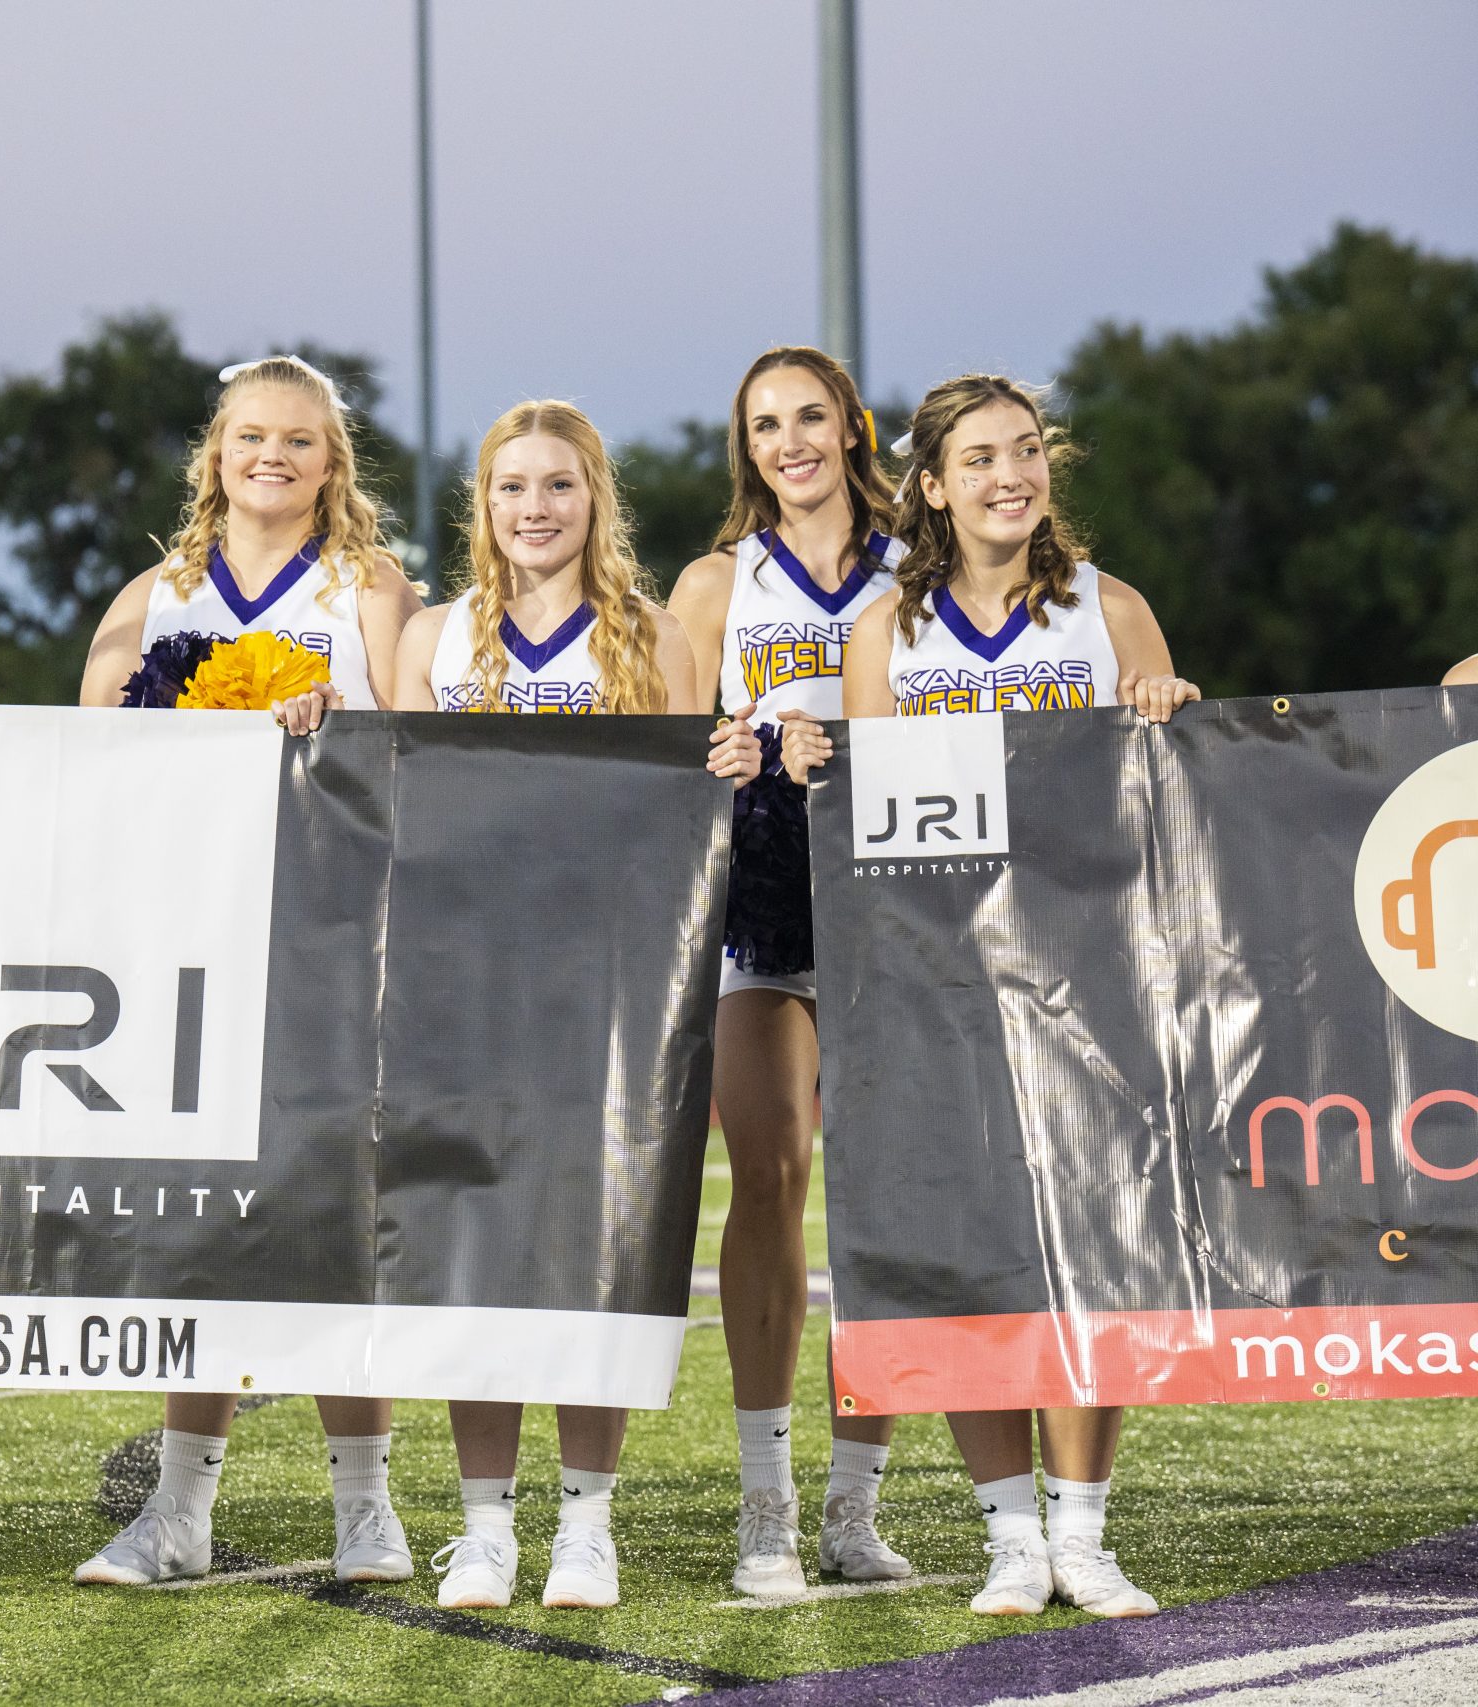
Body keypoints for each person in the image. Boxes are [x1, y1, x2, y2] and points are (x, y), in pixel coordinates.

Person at [843, 373, 1199, 1620]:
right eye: (981, 459)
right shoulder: (885, 635)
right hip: (939, 985)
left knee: (1097, 1250)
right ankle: (1007, 1535)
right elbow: (868, 834)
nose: (1011, 475)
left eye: (1028, 453)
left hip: (1096, 981)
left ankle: (1084, 1532)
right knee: (967, 1254)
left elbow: (1177, 801)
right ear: (931, 487)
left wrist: (1168, 713)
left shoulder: (1113, 610)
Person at [395, 400, 760, 1610]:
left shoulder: (652, 639)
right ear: (482, 505)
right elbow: (396, 804)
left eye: (557, 486)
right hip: (466, 987)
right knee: (476, 1249)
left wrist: (732, 761)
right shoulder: (433, 639)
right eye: (511, 488)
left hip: (608, 991)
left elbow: (685, 816)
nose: (534, 509)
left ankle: (588, 1522)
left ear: (593, 499)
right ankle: (486, 1525)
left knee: (601, 1246)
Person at [72, 356, 428, 1590]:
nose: (270, 458)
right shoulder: (156, 593)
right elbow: (95, 751)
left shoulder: (368, 588)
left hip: (335, 933)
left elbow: (416, 743)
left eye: (297, 442)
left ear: (332, 466)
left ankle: (366, 1508)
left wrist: (338, 725)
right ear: (212, 456)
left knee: (341, 1217)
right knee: (201, 1221)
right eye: (247, 439)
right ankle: (178, 1512)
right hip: (194, 941)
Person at [666, 347, 912, 1599]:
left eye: (809, 416)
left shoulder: (923, 568)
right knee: (767, 1175)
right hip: (758, 904)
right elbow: (659, 743)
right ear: (746, 447)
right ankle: (764, 1510)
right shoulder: (718, 581)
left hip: (899, 901)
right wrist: (716, 748)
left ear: (854, 428)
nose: (788, 441)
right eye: (765, 425)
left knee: (887, 1195)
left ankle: (851, 1511)